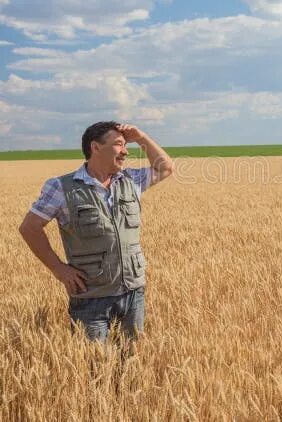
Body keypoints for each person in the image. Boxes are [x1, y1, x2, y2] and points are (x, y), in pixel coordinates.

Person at [18, 121, 174, 341]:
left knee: (132, 363)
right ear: (96, 147)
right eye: (119, 144)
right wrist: (59, 269)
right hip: (91, 298)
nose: (126, 151)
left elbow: (165, 167)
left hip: (133, 293)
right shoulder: (62, 187)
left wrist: (140, 137)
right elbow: (29, 228)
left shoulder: (131, 181)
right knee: (94, 366)